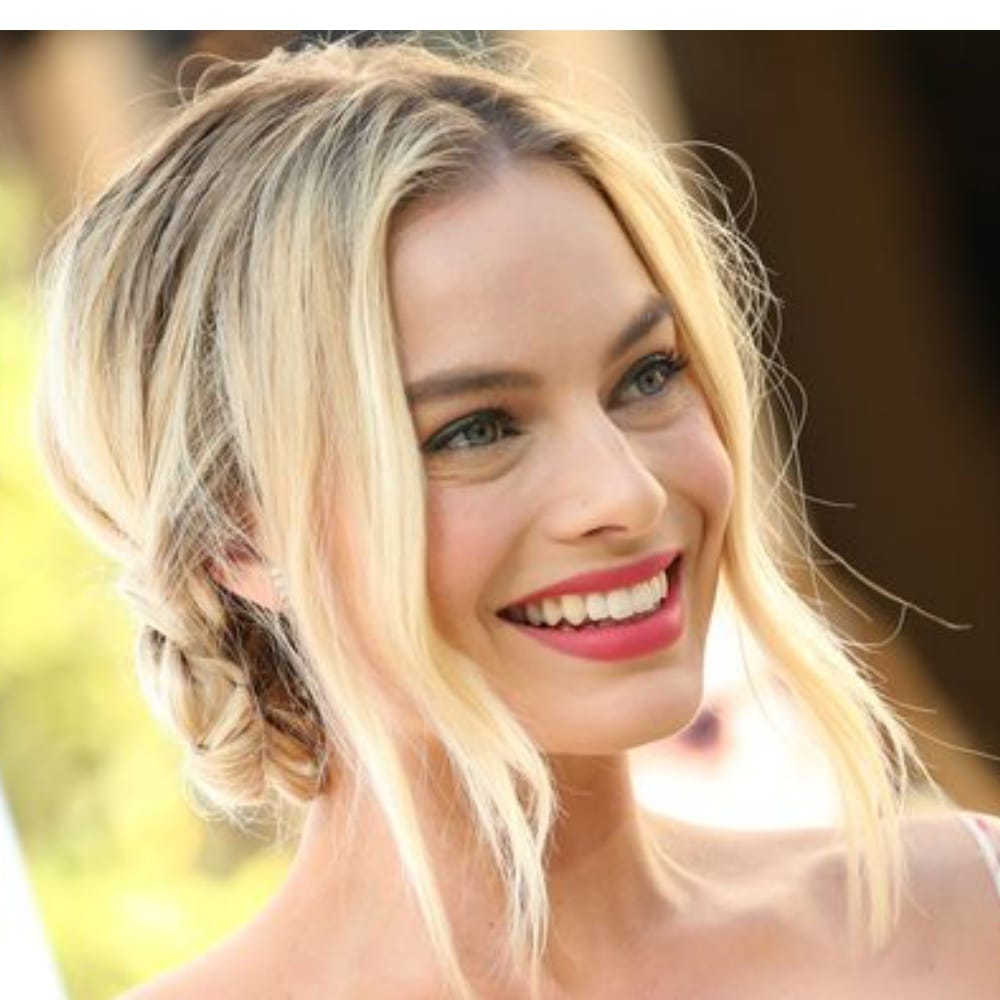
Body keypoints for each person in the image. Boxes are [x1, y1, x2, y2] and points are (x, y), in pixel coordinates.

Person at [33, 39, 1000, 1000]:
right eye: (476, 429)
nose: (626, 493)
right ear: (235, 538)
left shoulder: (966, 916)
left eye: (648, 376)